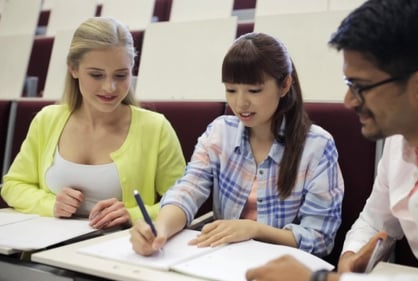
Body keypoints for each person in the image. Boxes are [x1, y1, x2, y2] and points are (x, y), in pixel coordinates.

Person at [245, 0, 418, 280]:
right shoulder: (400, 140)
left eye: (361, 87)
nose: (348, 101)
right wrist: (351, 257)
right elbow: (375, 220)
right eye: (348, 85)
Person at [130, 32, 344, 258]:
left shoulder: (317, 146)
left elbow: (320, 238)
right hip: (224, 262)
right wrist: (159, 229)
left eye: (254, 90)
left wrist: (254, 230)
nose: (240, 103)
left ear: (284, 86)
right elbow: (187, 191)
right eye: (231, 90)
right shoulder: (219, 132)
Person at [1, 17, 186, 230]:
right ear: (73, 69)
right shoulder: (47, 120)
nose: (110, 87)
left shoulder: (156, 128)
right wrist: (50, 204)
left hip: (120, 251)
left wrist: (132, 215)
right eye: (96, 75)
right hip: (45, 250)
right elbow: (13, 185)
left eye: (121, 75)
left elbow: (181, 201)